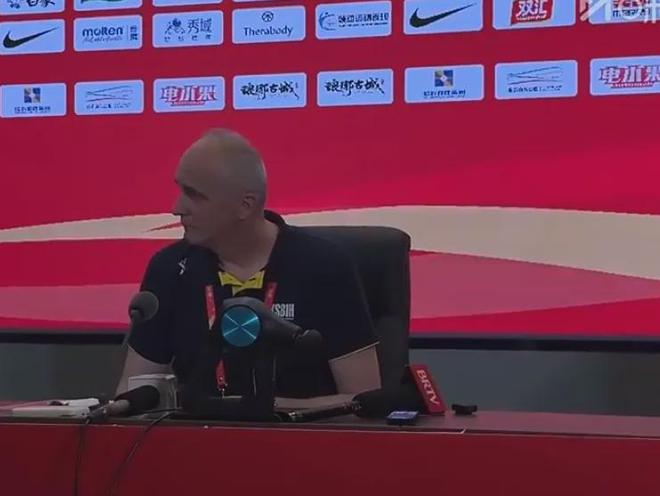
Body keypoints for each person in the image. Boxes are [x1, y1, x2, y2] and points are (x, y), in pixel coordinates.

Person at [116, 128, 381, 408]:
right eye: (180, 190)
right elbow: (134, 393)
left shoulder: (325, 266)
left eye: (194, 195)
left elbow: (363, 400)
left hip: (298, 433)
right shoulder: (169, 269)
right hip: (199, 433)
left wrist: (262, 410)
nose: (177, 207)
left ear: (245, 205)